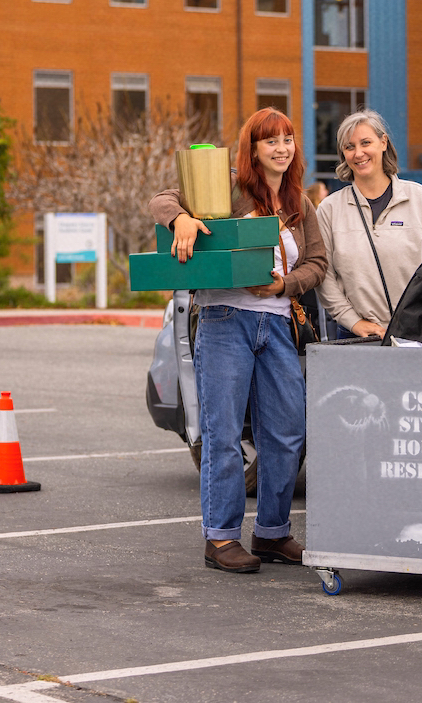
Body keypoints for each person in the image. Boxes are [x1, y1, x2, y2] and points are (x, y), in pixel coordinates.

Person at [150, 107, 327, 573]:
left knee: (287, 432)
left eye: (288, 139)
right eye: (271, 141)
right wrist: (180, 221)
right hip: (225, 320)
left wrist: (282, 287)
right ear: (252, 148)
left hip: (278, 325)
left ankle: (272, 533)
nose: (281, 148)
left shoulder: (298, 203)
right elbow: (161, 202)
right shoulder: (226, 186)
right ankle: (221, 538)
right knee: (224, 434)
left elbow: (317, 264)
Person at [316, 109, 422, 339]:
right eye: (349, 147)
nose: (359, 153)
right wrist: (354, 322)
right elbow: (324, 276)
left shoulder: (420, 199)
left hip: (416, 334)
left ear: (383, 142)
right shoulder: (329, 209)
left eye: (365, 142)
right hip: (355, 337)